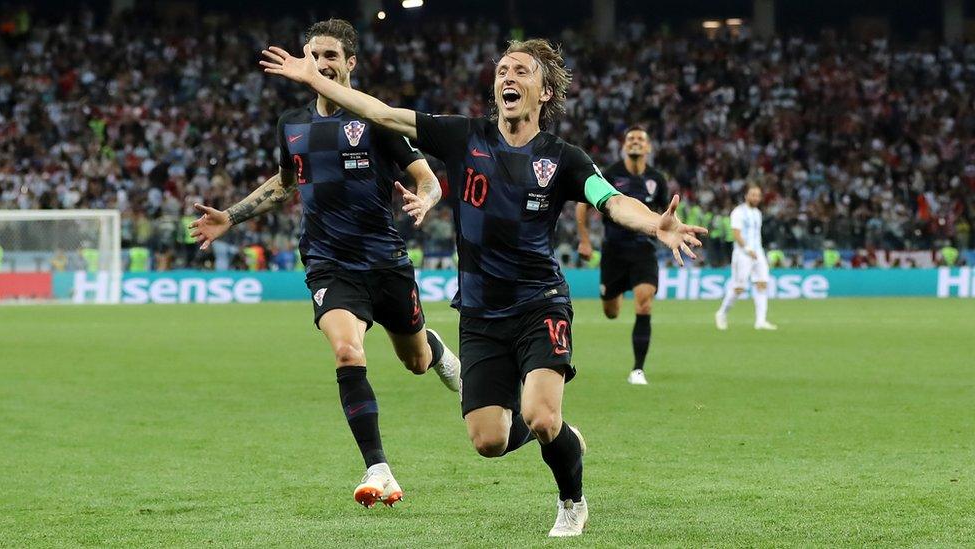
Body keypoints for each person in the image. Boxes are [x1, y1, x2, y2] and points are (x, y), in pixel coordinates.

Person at [260, 37, 706, 537]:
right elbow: (384, 114)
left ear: (544, 91)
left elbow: (613, 200)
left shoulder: (564, 158)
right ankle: (563, 437)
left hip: (541, 303)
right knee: (488, 441)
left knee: (539, 415)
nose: (509, 77)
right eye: (502, 70)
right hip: (479, 313)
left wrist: (654, 225)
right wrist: (316, 79)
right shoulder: (463, 137)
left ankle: (571, 501)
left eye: (522, 71)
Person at [191, 19, 461, 510]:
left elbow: (428, 178)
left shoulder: (378, 121)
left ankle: (436, 348)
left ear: (351, 62)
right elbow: (285, 182)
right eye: (314, 55)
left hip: (386, 263)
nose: (322, 64)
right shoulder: (292, 125)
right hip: (329, 263)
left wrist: (426, 200)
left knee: (417, 362)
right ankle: (377, 467)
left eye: (331, 56)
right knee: (346, 352)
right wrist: (229, 216)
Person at [576, 126, 670, 386]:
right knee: (611, 312)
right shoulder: (611, 174)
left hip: (644, 250)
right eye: (631, 139)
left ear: (649, 148)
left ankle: (638, 369)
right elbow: (583, 201)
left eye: (641, 139)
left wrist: (673, 230)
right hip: (614, 251)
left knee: (644, 302)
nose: (636, 142)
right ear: (624, 146)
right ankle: (611, 294)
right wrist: (584, 238)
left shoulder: (657, 180)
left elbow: (666, 214)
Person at [715, 184, 777, 330]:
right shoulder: (738, 212)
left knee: (762, 283)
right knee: (739, 288)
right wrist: (748, 249)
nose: (756, 198)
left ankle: (760, 321)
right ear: (746, 196)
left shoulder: (758, 213)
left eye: (758, 195)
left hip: (758, 253)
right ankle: (721, 313)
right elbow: (736, 234)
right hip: (742, 254)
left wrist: (758, 251)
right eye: (753, 195)